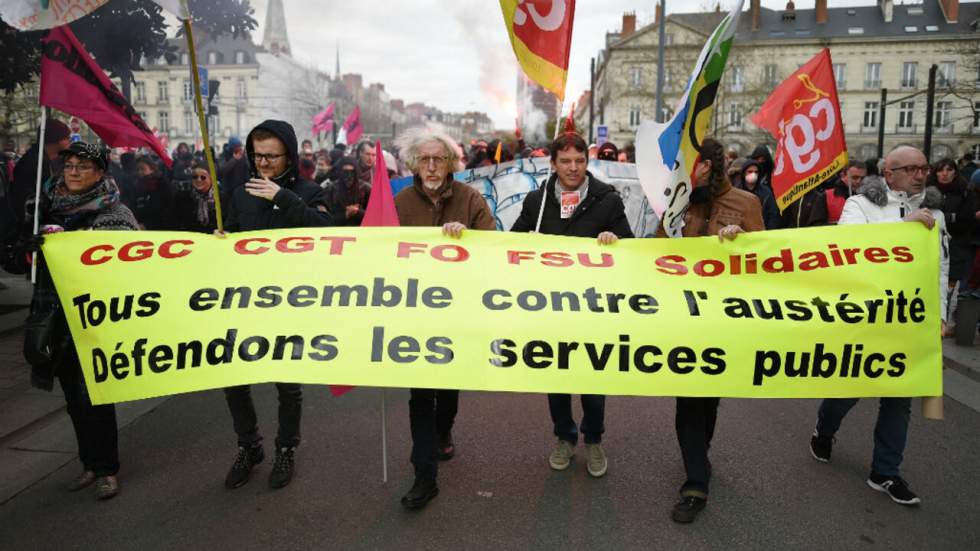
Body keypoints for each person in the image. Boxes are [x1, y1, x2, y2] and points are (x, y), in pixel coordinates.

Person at [809, 146, 949, 507]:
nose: (920, 174)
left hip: (909, 320)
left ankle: (885, 471)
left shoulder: (936, 213)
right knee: (849, 390)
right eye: (911, 168)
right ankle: (825, 429)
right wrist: (903, 227)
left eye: (924, 168)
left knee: (898, 399)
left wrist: (941, 314)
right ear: (890, 174)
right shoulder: (862, 206)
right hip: (867, 320)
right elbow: (848, 248)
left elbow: (940, 267)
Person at [511, 132, 633, 481]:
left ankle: (593, 439)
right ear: (553, 164)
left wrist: (615, 242)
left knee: (594, 378)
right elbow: (510, 245)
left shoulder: (607, 200)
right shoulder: (536, 202)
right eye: (565, 161)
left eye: (579, 161)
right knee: (558, 376)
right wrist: (525, 243)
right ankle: (565, 437)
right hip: (551, 308)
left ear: (587, 162)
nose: (573, 168)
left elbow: (630, 246)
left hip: (595, 308)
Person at [220, 120, 333, 490]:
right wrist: (222, 240)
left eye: (271, 156)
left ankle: (286, 447)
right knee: (234, 379)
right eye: (258, 156)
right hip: (245, 300)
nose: (263, 163)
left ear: (289, 155)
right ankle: (249, 445)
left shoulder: (311, 190)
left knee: (287, 384)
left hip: (289, 302)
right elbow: (232, 237)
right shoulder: (239, 193)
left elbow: (326, 232)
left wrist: (280, 197)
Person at [656, 137, 764, 524]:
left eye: (692, 166)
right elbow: (655, 252)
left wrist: (740, 246)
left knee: (709, 399)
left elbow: (763, 262)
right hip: (684, 317)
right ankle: (696, 480)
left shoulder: (746, 204)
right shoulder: (680, 201)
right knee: (688, 398)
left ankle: (699, 456)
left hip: (724, 319)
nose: (685, 172)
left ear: (710, 166)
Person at [24, 142, 138, 500]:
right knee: (72, 396)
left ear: (101, 173)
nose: (72, 171)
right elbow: (18, 257)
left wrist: (80, 244)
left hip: (94, 318)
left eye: (82, 166)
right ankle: (88, 463)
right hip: (53, 314)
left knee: (95, 395)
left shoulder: (115, 213)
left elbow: (130, 262)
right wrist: (29, 245)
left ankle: (107, 469)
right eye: (69, 165)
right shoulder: (44, 208)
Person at [392, 128, 496, 510]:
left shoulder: (470, 198)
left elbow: (494, 244)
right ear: (414, 165)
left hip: (458, 311)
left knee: (448, 386)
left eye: (439, 159)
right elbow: (377, 250)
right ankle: (424, 474)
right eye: (425, 159)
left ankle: (445, 426)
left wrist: (468, 238)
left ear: (451, 164)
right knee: (420, 393)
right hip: (415, 312)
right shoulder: (400, 202)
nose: (432, 166)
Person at [928, 157, 978, 330]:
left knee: (948, 286)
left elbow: (968, 218)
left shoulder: (965, 191)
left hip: (956, 245)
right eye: (941, 170)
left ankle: (942, 322)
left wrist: (946, 217)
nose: (945, 174)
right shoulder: (926, 191)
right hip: (929, 244)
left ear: (955, 172)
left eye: (949, 170)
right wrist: (952, 217)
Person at [11, 119, 71, 232]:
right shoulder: (34, 162)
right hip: (30, 226)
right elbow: (31, 199)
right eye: (67, 137)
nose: (70, 141)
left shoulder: (47, 159)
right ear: (56, 138)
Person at [172, 160, 222, 233]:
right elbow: (174, 221)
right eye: (195, 177)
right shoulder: (182, 197)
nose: (198, 180)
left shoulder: (222, 197)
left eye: (203, 177)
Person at [322, 156, 370, 226]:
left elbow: (374, 214)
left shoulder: (365, 188)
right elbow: (325, 218)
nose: (348, 176)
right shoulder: (331, 189)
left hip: (360, 231)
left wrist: (358, 212)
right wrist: (345, 215)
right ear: (340, 172)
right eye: (345, 172)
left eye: (352, 172)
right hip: (338, 232)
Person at [734, 159, 780, 229]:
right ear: (744, 173)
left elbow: (772, 214)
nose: (753, 174)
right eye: (750, 171)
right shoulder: (736, 191)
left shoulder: (766, 192)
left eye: (756, 172)